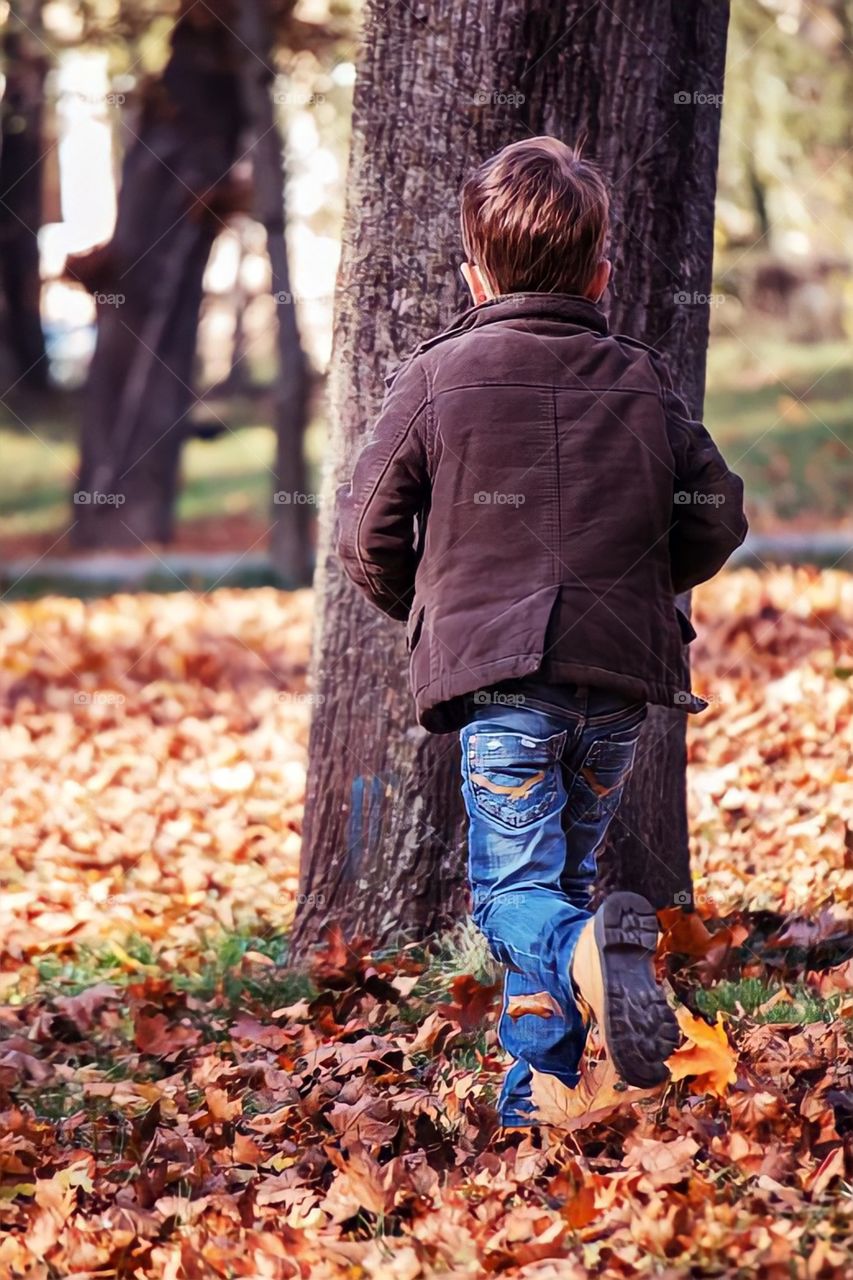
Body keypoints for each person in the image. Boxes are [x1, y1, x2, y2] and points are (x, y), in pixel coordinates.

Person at [336, 136, 747, 1127]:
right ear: (603, 270)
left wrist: (443, 615)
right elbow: (716, 512)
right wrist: (640, 586)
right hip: (612, 685)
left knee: (517, 896)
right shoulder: (642, 379)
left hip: (504, 685)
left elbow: (364, 534)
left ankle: (578, 963)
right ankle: (540, 1102)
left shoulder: (436, 378)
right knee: (559, 874)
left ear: (471, 274)